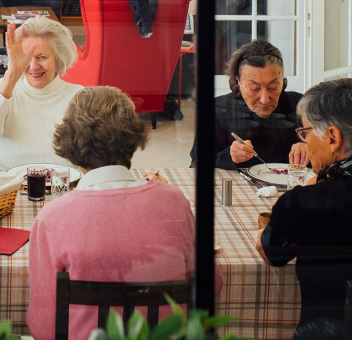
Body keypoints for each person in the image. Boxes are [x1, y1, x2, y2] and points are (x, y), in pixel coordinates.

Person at [27, 86, 223, 339]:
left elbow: (44, 327)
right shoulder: (174, 202)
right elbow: (212, 284)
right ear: (133, 139)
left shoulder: (51, 218)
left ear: (70, 144)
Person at [256, 79, 352, 340]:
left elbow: (269, 252)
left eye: (305, 133)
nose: (305, 143)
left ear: (333, 137)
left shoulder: (305, 202)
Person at [0, 16, 83, 169]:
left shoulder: (79, 97)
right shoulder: (2, 89)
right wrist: (12, 75)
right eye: (25, 58)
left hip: (62, 188)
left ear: (59, 59)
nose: (33, 66)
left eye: (42, 57)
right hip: (9, 186)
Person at [190, 39, 307, 170]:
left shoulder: (301, 106)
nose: (265, 99)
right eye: (254, 88)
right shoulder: (217, 109)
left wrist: (312, 148)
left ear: (283, 81)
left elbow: (330, 155)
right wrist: (229, 156)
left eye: (273, 87)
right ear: (237, 82)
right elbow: (196, 164)